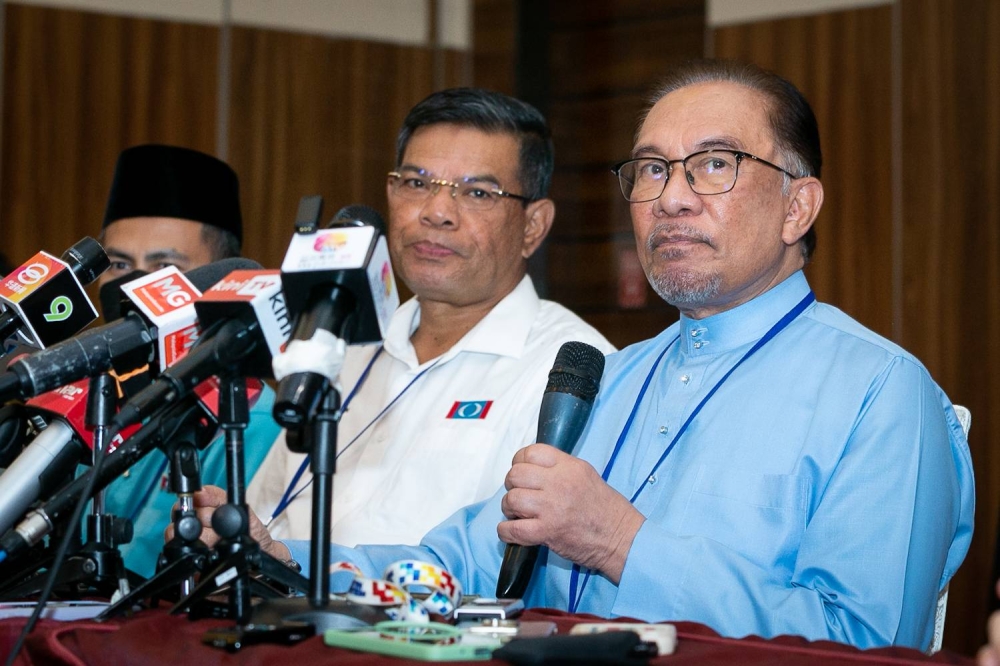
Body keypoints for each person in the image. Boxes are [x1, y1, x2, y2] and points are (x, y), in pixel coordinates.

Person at [189, 62, 973, 651]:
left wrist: (624, 545)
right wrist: (284, 557)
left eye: (714, 165)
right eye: (652, 169)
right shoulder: (614, 377)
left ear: (798, 205)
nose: (670, 197)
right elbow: (457, 560)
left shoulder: (882, 392)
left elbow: (872, 644)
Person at [237, 88, 615, 548]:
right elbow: (265, 510)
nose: (436, 212)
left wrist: (287, 560)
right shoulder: (343, 343)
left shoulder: (568, 371)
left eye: (477, 192)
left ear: (532, 226)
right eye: (417, 183)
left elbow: (506, 568)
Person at [97, 144, 281, 578]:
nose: (135, 288)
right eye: (119, 264)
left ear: (218, 278)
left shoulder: (254, 420)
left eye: (164, 267)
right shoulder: (82, 397)